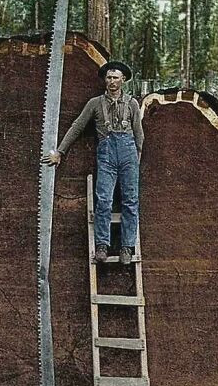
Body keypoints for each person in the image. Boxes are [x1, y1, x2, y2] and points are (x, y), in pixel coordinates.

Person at [42, 60, 143, 265]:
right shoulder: (95, 103)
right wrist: (59, 152)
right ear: (105, 80)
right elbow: (77, 126)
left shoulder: (132, 104)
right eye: (109, 77)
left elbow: (139, 135)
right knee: (103, 200)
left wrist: (136, 159)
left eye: (116, 77)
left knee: (130, 202)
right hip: (106, 157)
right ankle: (102, 246)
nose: (112, 81)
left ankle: (127, 247)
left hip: (128, 155)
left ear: (123, 80)